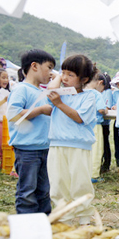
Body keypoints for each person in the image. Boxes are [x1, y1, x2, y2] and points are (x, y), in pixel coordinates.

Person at [46, 54, 98, 224]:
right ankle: (64, 217)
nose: (65, 78)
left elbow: (78, 117)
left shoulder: (89, 96)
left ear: (83, 79)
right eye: (63, 73)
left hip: (78, 146)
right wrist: (59, 78)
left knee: (80, 182)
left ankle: (84, 218)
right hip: (57, 144)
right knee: (58, 182)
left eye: (70, 75)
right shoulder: (59, 94)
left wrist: (60, 104)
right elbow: (49, 91)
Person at [7, 49, 55, 214]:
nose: (51, 73)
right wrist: (40, 110)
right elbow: (13, 114)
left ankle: (44, 221)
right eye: (49, 67)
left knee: (44, 190)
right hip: (27, 150)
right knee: (27, 191)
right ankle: (27, 223)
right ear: (34, 66)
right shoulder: (22, 89)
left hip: (44, 148)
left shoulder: (42, 92)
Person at [86, 73, 108, 183]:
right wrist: (105, 110)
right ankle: (94, 175)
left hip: (83, 125)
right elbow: (101, 110)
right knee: (96, 150)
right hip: (95, 125)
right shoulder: (96, 94)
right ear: (99, 82)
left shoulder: (82, 92)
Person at [110, 71, 119, 173]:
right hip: (117, 121)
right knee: (117, 143)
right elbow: (111, 105)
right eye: (118, 84)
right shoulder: (115, 93)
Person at [100, 73, 113, 173]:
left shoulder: (107, 92)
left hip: (104, 122)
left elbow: (107, 106)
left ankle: (106, 164)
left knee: (104, 143)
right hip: (98, 122)